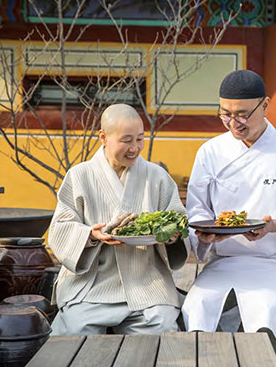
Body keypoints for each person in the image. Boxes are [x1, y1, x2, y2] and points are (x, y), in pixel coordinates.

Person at [181, 70, 276, 366]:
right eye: (225, 115)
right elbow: (197, 210)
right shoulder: (210, 152)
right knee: (197, 304)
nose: (234, 123)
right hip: (224, 261)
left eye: (243, 115)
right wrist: (205, 235)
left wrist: (275, 225)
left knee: (268, 307)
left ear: (266, 106)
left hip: (273, 263)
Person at [49, 103, 190, 335]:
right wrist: (91, 235)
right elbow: (61, 228)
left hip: (147, 282)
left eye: (139, 139)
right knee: (76, 331)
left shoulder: (157, 177)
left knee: (163, 329)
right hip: (92, 285)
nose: (135, 148)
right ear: (103, 137)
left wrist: (173, 236)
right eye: (126, 140)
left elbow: (179, 219)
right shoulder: (79, 176)